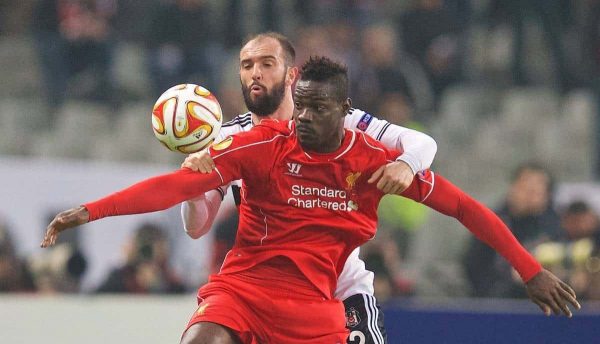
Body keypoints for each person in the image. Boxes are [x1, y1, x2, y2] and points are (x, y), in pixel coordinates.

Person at [42, 56, 580, 344]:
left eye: (317, 109)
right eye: (298, 107)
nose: (301, 118)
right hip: (243, 289)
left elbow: (466, 209)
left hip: (314, 306)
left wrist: (529, 270)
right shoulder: (262, 146)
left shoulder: (375, 165)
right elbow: (177, 187)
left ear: (343, 108)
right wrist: (90, 211)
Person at [180, 31, 438, 344]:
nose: (256, 72)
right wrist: (192, 190)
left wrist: (407, 164)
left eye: (267, 63)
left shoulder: (335, 117)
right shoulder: (227, 138)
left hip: (338, 288)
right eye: (247, 65)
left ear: (291, 73)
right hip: (261, 289)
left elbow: (422, 143)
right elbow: (197, 227)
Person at [464, 162, 562, 298]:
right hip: (499, 303)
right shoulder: (490, 223)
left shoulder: (557, 226)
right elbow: (474, 267)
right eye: (525, 188)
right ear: (513, 188)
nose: (530, 195)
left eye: (537, 191)